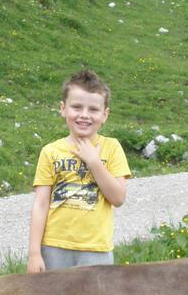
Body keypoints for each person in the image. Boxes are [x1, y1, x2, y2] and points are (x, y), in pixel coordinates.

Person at [27, 69, 131, 273]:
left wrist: (94, 162)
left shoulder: (112, 148)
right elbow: (40, 204)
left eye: (93, 109)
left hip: (96, 250)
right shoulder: (50, 151)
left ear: (105, 114)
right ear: (63, 109)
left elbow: (118, 198)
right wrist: (34, 253)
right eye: (76, 107)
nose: (84, 115)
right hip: (54, 247)